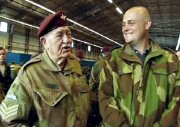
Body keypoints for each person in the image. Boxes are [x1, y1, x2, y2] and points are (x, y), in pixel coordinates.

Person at [0, 11, 90, 127]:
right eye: (59, 35)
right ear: (44, 42)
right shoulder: (30, 74)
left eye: (68, 34)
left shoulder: (75, 65)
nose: (67, 40)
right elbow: (10, 122)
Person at [98, 6, 180, 127]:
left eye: (131, 23)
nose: (125, 28)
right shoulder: (113, 60)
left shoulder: (169, 60)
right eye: (123, 24)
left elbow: (176, 101)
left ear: (147, 25)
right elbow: (105, 98)